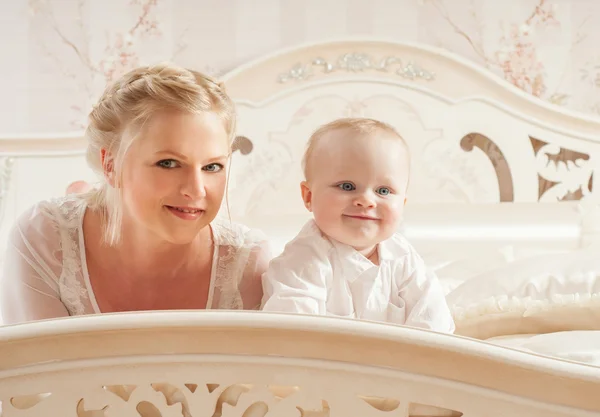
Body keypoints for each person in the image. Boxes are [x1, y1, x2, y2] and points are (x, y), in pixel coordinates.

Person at [0, 63, 271, 325]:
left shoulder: (247, 265)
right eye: (168, 163)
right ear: (111, 164)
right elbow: (37, 368)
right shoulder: (45, 239)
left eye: (212, 166)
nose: (196, 189)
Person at [261, 118, 455, 333]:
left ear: (403, 204)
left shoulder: (403, 257)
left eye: (383, 191)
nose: (366, 200)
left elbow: (434, 323)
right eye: (347, 186)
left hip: (398, 363)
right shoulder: (303, 260)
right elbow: (293, 334)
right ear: (309, 196)